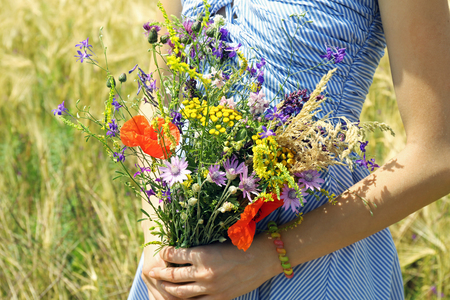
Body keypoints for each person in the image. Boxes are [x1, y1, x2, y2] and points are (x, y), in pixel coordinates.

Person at [128, 0, 450, 299]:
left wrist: (269, 256)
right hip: (178, 248)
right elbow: (157, 95)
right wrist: (156, 237)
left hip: (310, 259)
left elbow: (438, 153)